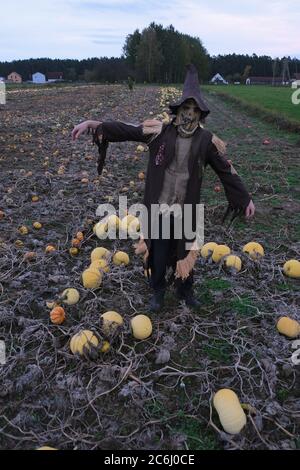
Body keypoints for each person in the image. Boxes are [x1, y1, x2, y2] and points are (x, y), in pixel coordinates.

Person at [72, 64, 255, 312]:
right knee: (157, 251)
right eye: (185, 109)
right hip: (158, 207)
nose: (189, 114)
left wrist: (244, 198)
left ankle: (185, 289)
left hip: (186, 208)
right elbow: (127, 129)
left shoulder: (206, 141)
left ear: (201, 114)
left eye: (195, 110)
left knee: (186, 248)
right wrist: (95, 124)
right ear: (177, 111)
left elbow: (225, 169)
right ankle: (157, 291)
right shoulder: (158, 133)